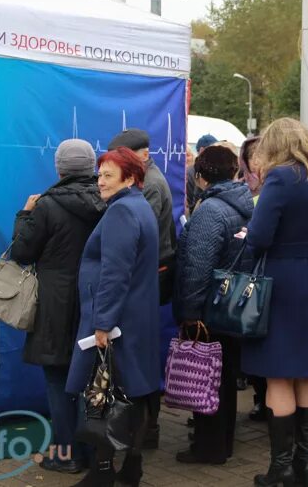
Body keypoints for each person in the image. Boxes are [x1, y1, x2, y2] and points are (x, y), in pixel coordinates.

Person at [241, 117, 308, 487]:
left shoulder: (283, 177)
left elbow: (260, 237)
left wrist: (246, 234)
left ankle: (280, 468)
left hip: (284, 279)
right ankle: (304, 466)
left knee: (279, 373)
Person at [65, 147, 161, 487]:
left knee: (107, 396)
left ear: (130, 178)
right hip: (136, 317)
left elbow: (115, 273)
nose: (100, 181)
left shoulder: (122, 212)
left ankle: (103, 472)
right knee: (132, 394)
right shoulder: (138, 205)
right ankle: (130, 469)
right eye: (100, 174)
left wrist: (103, 323)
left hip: (118, 322)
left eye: (108, 175)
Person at [10, 139, 105, 474]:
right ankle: (94, 453)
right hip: (97, 300)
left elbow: (22, 254)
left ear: (59, 168)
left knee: (59, 381)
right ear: (92, 166)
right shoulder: (108, 200)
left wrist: (25, 213)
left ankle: (65, 456)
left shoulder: (47, 205)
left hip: (55, 303)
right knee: (93, 380)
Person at [173, 146, 254, 465]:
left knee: (207, 379)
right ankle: (224, 441)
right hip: (235, 303)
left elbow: (197, 266)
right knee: (225, 379)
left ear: (200, 177)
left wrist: (190, 313)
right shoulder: (244, 203)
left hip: (210, 308)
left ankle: (209, 448)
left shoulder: (210, 211)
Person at [107, 128, 177, 450]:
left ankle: (146, 430)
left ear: (143, 155)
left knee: (139, 354)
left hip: (148, 277)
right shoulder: (146, 181)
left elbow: (135, 237)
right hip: (148, 275)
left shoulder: (148, 186)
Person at [238, 135, 269, 421]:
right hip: (255, 280)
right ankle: (262, 397)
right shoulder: (246, 194)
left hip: (265, 278)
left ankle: (268, 400)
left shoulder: (270, 195)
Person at [187, 133, 218, 214]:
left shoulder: (213, 170)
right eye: (213, 150)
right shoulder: (191, 172)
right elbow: (192, 205)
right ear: (202, 151)